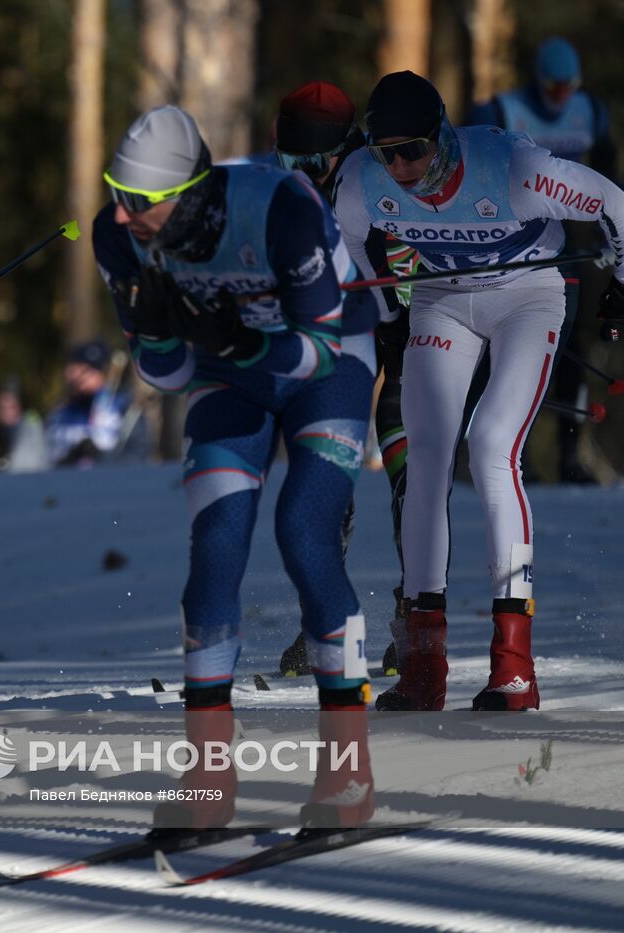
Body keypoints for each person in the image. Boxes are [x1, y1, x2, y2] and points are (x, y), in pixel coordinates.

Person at [93, 105, 378, 829]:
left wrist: (233, 338)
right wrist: (159, 334)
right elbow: (167, 373)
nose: (122, 217)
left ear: (187, 192)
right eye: (114, 193)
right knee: (216, 547)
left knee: (304, 533)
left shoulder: (279, 205)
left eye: (139, 202)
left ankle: (348, 769)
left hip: (330, 365)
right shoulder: (117, 236)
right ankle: (209, 774)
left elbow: (318, 349)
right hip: (232, 375)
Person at [333, 72, 624, 711]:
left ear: (441, 135)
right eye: (383, 151)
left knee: (491, 447)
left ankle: (514, 668)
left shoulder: (515, 171)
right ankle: (424, 668)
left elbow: (615, 203)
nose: (398, 167)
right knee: (424, 464)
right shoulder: (360, 182)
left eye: (412, 149)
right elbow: (355, 243)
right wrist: (390, 315)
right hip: (442, 301)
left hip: (527, 297)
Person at [269, 81, 417, 679]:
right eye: (289, 162)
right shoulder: (282, 195)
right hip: (342, 335)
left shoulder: (377, 176)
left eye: (314, 163)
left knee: (407, 461)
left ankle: (416, 627)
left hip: (410, 330)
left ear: (348, 147)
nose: (302, 173)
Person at [467, 38, 620, 484]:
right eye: (553, 87)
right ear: (537, 82)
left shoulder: (590, 111)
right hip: (517, 238)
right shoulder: (500, 111)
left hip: (572, 238)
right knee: (508, 344)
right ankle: (515, 453)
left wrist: (607, 233)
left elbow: (607, 173)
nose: (561, 96)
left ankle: (570, 454)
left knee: (572, 343)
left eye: (568, 86)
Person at [44, 339, 148, 467]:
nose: (74, 375)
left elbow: (137, 458)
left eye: (87, 370)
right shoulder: (57, 414)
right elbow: (43, 459)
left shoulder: (126, 411)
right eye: (74, 368)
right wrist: (70, 460)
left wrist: (99, 458)